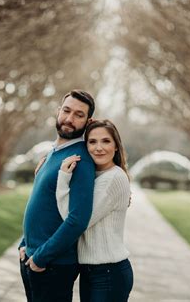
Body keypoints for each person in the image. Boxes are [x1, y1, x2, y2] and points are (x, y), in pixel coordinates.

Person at [18, 90, 96, 302]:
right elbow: (43, 204)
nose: (69, 119)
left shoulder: (80, 160)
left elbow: (78, 219)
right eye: (66, 111)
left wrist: (41, 258)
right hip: (33, 257)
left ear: (88, 122)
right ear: (58, 111)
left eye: (79, 115)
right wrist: (24, 244)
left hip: (54, 264)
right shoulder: (52, 153)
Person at [56, 119, 133, 302]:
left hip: (108, 272)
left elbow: (73, 220)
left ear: (116, 146)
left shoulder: (113, 178)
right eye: (92, 141)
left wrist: (63, 178)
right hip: (91, 271)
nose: (99, 147)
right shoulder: (94, 176)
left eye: (106, 141)